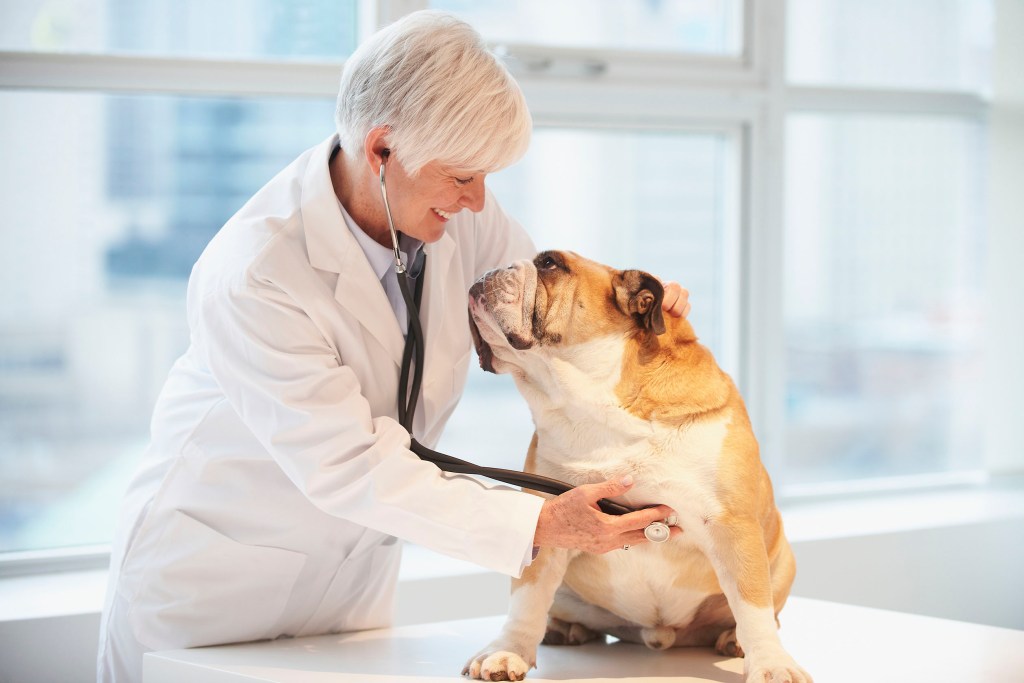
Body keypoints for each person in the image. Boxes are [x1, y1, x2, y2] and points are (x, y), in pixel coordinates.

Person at [97, 10, 690, 682]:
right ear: (381, 150)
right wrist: (542, 522)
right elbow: (349, 465)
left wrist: (635, 316)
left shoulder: (457, 214)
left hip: (349, 593)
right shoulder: (256, 271)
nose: (476, 201)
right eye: (463, 176)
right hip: (211, 595)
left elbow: (544, 316)